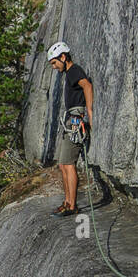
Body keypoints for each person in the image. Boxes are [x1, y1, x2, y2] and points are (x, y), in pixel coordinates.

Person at [46, 41, 94, 217]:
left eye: (54, 62)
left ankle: (72, 205)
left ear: (63, 57)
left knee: (68, 164)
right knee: (62, 164)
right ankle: (67, 202)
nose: (54, 66)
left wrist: (89, 112)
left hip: (75, 120)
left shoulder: (74, 71)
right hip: (71, 120)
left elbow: (87, 86)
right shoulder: (69, 73)